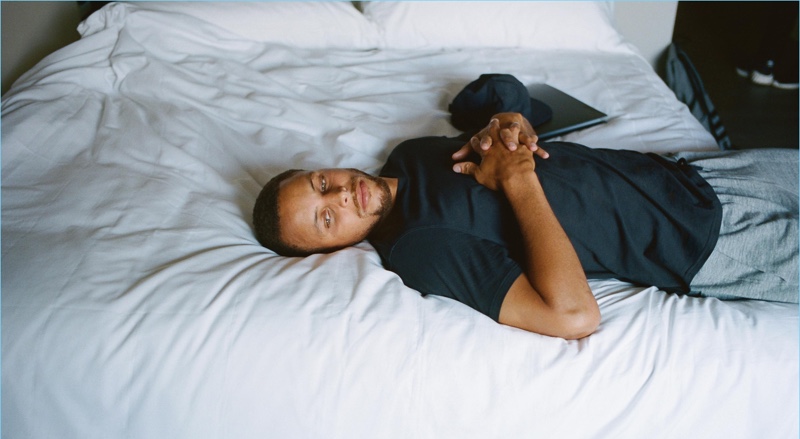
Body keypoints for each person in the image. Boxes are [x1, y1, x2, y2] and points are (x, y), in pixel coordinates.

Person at [252, 112, 799, 339]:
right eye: (328, 219)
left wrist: (509, 123)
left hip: (695, 174)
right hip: (710, 243)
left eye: (322, 183)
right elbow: (573, 315)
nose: (343, 194)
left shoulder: (409, 153)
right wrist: (518, 180)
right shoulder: (417, 249)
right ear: (329, 251)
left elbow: (502, 130)